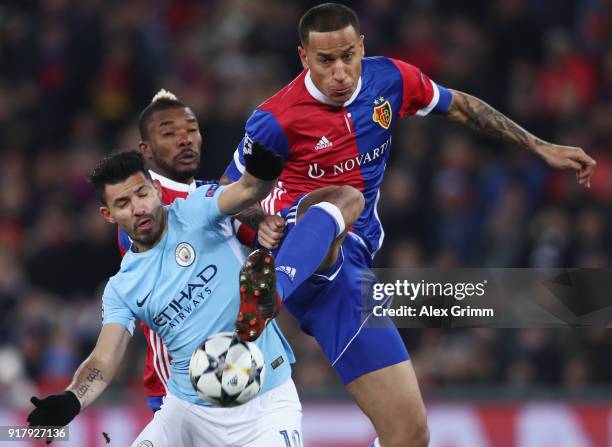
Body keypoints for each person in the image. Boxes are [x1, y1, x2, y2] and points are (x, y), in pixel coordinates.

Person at [222, 4, 597, 447]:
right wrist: (261, 220)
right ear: (304, 57)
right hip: (298, 251)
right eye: (325, 61)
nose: (340, 71)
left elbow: (461, 107)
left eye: (348, 56)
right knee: (345, 199)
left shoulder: (390, 80)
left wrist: (540, 147)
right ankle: (267, 298)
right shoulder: (275, 119)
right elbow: (230, 194)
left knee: (409, 433)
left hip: (349, 275)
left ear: (362, 47)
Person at [26, 149, 308, 446]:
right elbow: (105, 357)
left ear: (157, 189)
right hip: (187, 412)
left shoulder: (197, 211)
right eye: (123, 203)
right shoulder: (123, 288)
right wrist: (72, 399)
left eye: (142, 194)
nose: (138, 208)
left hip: (264, 404)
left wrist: (262, 169)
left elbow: (246, 190)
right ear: (108, 215)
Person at [117, 89, 257, 412]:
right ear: (146, 150)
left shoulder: (213, 196)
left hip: (237, 369)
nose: (185, 140)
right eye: (169, 134)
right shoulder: (140, 207)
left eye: (191, 130)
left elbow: (265, 235)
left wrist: (269, 224)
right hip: (180, 385)